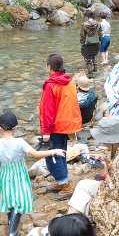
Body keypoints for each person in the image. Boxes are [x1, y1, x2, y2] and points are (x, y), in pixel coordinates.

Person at [0, 110, 65, 236]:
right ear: (15, 128)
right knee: (19, 200)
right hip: (19, 174)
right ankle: (12, 233)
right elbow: (35, 154)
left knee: (9, 199)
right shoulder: (20, 142)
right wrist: (53, 151)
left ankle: (11, 223)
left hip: (4, 174)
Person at [38, 54, 83, 196]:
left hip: (55, 126)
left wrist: (46, 131)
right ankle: (62, 181)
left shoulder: (51, 85)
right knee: (61, 153)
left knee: (52, 156)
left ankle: (65, 184)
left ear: (49, 67)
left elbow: (48, 110)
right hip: (67, 125)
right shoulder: (69, 82)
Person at [80, 10, 102, 75]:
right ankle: (95, 69)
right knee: (94, 55)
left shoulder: (84, 25)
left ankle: (90, 73)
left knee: (87, 58)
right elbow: (100, 34)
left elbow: (82, 35)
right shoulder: (98, 23)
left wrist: (82, 43)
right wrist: (100, 40)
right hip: (96, 42)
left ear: (87, 16)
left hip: (88, 42)